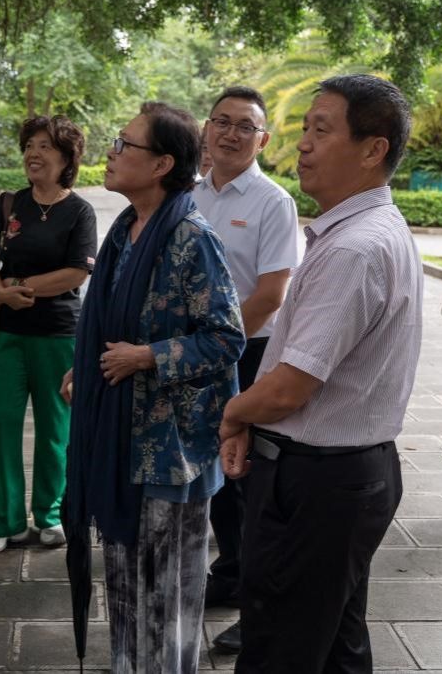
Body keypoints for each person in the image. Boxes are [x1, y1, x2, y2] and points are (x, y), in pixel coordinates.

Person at [219, 74, 422, 674]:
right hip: (346, 476)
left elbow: (289, 388)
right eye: (306, 128)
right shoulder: (367, 230)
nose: (303, 143)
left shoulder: (353, 248)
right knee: (335, 649)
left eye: (322, 130)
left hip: (318, 484)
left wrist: (232, 413)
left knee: (279, 651)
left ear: (373, 149)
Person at [62, 102, 244, 673]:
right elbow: (112, 322)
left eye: (125, 144)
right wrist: (87, 368)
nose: (111, 153)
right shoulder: (124, 231)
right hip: (119, 441)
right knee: (124, 593)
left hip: (170, 452)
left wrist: (146, 357)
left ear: (163, 164)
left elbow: (226, 338)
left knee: (166, 602)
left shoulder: (191, 238)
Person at [192, 86, 298, 654]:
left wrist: (219, 346)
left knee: (248, 480)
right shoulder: (188, 195)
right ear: (207, 129)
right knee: (213, 479)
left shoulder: (271, 202)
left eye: (244, 126)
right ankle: (230, 572)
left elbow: (271, 294)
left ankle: (258, 608)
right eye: (222, 121)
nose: (230, 134)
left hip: (247, 354)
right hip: (192, 355)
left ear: (263, 139)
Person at [0, 115, 97, 554]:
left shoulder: (79, 211)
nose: (33, 154)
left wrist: (22, 287)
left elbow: (77, 271)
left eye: (45, 146)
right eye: (29, 146)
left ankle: (51, 514)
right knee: (4, 423)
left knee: (55, 428)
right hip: (8, 333)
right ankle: (3, 520)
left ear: (66, 158)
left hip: (59, 335)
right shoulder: (11, 203)